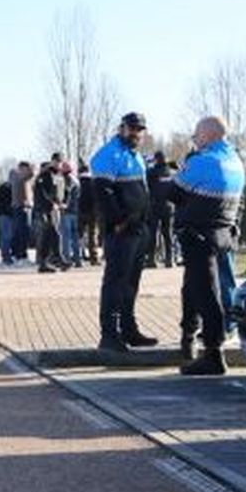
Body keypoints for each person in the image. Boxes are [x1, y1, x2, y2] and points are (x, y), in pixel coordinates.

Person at [172, 116, 246, 374]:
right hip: (221, 235)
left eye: (196, 135)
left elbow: (174, 191)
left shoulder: (205, 161)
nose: (195, 140)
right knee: (194, 288)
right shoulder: (235, 161)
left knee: (206, 293)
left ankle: (214, 353)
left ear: (208, 135)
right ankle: (189, 338)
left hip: (199, 236)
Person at [90, 112, 158, 352]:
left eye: (140, 130)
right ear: (122, 128)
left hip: (138, 228)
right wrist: (118, 221)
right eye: (132, 129)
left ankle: (128, 329)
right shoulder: (108, 154)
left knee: (131, 283)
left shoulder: (135, 155)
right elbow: (103, 192)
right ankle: (109, 334)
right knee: (115, 283)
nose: (136, 134)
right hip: (122, 230)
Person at [34, 155, 69, 273]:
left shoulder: (60, 175)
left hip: (56, 209)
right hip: (46, 209)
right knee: (51, 233)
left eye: (60, 162)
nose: (58, 164)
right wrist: (50, 204)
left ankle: (53, 260)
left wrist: (64, 203)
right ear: (52, 161)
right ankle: (52, 259)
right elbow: (41, 193)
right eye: (56, 161)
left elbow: (65, 191)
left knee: (52, 234)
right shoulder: (45, 175)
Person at [146, 151, 177, 268]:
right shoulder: (171, 172)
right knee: (168, 233)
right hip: (169, 206)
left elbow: (147, 186)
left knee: (153, 233)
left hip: (155, 205)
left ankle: (151, 259)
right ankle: (169, 259)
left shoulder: (151, 172)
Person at [60, 159, 83, 267]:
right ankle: (78, 259)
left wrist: (64, 204)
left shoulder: (67, 179)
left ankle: (67, 258)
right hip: (75, 211)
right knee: (75, 237)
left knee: (66, 237)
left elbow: (67, 194)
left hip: (67, 212)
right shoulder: (76, 180)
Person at [77, 158, 100, 265]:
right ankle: (94, 258)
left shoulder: (77, 182)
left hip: (79, 211)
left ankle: (77, 257)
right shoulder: (93, 182)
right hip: (92, 212)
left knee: (77, 235)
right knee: (92, 236)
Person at [9, 161, 33, 263]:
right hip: (21, 207)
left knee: (20, 232)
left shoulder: (17, 177)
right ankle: (21, 256)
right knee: (22, 233)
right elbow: (30, 176)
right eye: (26, 169)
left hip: (21, 207)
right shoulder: (19, 178)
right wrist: (33, 170)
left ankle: (17, 255)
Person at [0, 178, 15, 265]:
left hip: (5, 213)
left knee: (8, 235)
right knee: (7, 235)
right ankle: (6, 256)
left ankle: (7, 255)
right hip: (3, 214)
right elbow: (3, 202)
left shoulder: (7, 186)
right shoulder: (6, 187)